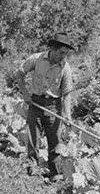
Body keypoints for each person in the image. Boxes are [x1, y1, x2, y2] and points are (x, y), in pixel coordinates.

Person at [10, 34, 76, 178]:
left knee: (55, 142)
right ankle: (32, 171)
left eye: (66, 53)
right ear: (53, 48)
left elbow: (67, 94)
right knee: (33, 139)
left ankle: (55, 175)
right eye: (61, 52)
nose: (63, 56)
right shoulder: (36, 59)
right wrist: (25, 94)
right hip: (35, 102)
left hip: (53, 106)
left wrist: (67, 115)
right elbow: (18, 74)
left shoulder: (65, 67)